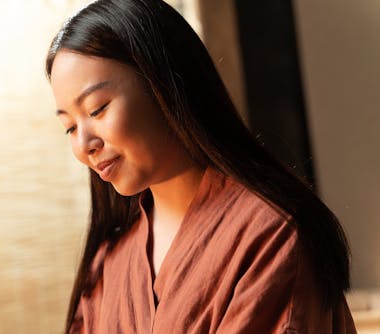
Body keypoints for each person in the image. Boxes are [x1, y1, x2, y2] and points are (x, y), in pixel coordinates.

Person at [46, 0, 356, 332]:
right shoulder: (109, 261)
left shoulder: (269, 236)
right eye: (70, 127)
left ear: (162, 83)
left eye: (97, 109)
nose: (83, 145)